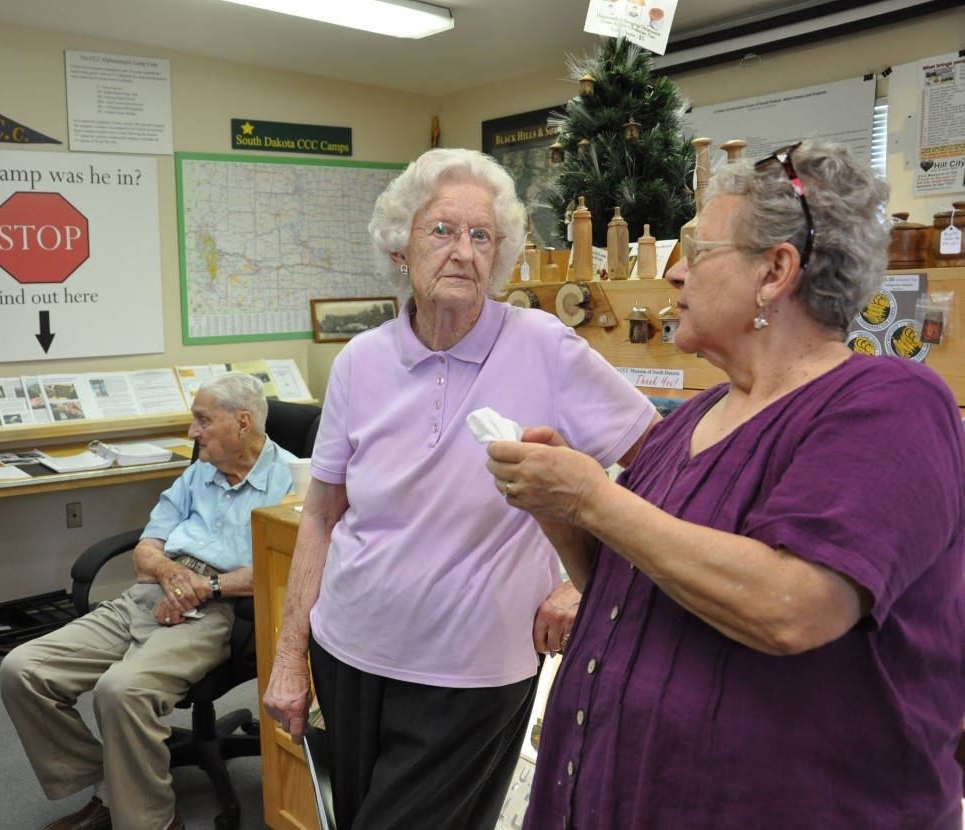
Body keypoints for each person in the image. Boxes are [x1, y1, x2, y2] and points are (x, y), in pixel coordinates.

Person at [487, 141, 965, 828]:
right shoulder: (696, 416)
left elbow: (791, 607)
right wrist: (563, 516)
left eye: (698, 252)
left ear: (775, 272)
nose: (674, 272)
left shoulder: (892, 404)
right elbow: (631, 592)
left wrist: (593, 498)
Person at [262, 148, 657, 829]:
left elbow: (662, 462)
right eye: (442, 230)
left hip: (475, 671)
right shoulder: (359, 361)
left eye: (482, 236)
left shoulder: (544, 346)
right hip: (349, 652)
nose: (464, 251)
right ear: (401, 248)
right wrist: (290, 659)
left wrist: (583, 580)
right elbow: (322, 515)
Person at [0, 372, 296, 830]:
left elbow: (282, 569)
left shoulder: (292, 482)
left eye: (202, 420)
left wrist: (205, 587)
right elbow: (146, 549)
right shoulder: (197, 473)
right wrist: (170, 574)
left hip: (221, 610)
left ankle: (151, 820)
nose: (192, 433)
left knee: (121, 691)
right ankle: (113, 787)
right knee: (23, 670)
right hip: (152, 591)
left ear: (243, 422)